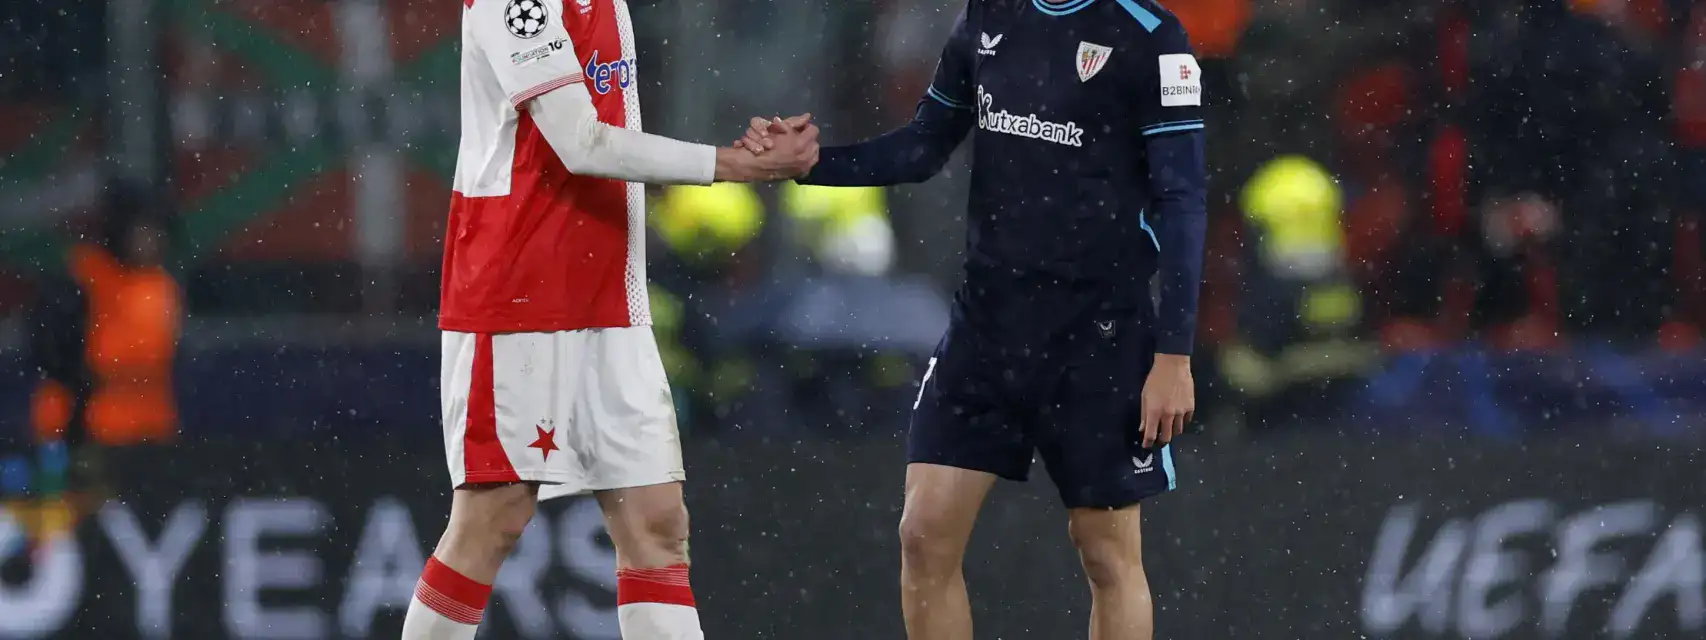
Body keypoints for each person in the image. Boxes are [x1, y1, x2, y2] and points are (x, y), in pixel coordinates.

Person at [740, 0, 1207, 637]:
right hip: (986, 328)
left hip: (1098, 335)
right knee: (923, 536)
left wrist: (1174, 356)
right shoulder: (989, 15)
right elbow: (924, 146)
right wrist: (813, 164)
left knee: (1106, 554)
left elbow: (1183, 200)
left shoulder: (1149, 34)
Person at [400, 1, 817, 639]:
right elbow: (580, 142)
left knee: (656, 522)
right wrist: (735, 164)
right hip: (517, 295)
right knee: (493, 519)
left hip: (609, 293)